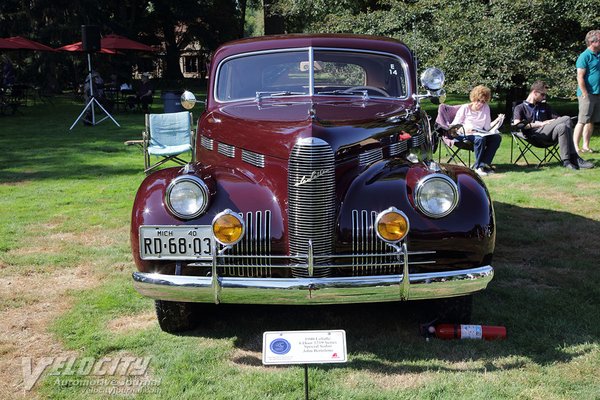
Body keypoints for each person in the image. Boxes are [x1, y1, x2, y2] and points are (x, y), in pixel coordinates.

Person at [513, 81, 593, 170]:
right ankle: (574, 157)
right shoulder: (520, 107)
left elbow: (558, 119)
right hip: (534, 135)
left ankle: (566, 161)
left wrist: (548, 122)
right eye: (542, 94)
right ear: (535, 93)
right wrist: (539, 124)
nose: (544, 97)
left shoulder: (544, 106)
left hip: (548, 134)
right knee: (566, 119)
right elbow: (518, 125)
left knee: (562, 126)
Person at [450, 85, 504, 176]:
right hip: (463, 133)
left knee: (496, 138)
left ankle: (483, 164)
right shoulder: (465, 108)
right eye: (478, 100)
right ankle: (478, 167)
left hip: (479, 132)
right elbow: (454, 125)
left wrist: (497, 121)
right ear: (474, 98)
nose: (480, 104)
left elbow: (487, 127)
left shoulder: (486, 108)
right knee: (479, 139)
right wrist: (465, 129)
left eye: (483, 101)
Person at [573, 30, 600, 153]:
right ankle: (575, 147)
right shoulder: (584, 56)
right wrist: (584, 94)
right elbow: (580, 76)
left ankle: (586, 146)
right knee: (582, 120)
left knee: (591, 121)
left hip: (597, 93)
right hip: (587, 94)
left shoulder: (598, 55)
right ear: (592, 42)